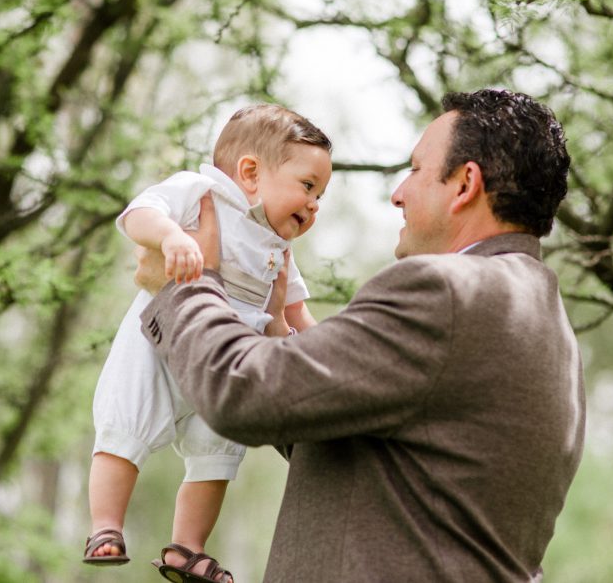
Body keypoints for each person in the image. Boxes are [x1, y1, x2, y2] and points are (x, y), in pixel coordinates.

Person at [133, 89, 586, 582]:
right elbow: (377, 457)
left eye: (415, 170)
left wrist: (186, 287)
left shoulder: (447, 292)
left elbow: (243, 393)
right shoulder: (546, 323)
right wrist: (283, 337)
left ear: (465, 185)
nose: (398, 193)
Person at [83, 104, 332, 583]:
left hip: (225, 362)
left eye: (320, 194)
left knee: (217, 453)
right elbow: (138, 214)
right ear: (251, 173)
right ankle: (105, 526)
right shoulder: (202, 194)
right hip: (160, 341)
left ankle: (187, 548)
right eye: (307, 186)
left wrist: (323, 355)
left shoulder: (279, 249)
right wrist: (173, 236)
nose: (315, 203)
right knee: (126, 423)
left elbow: (298, 313)